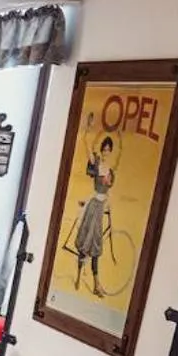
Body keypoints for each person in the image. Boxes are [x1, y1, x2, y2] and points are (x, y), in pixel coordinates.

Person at [68, 119, 116, 296]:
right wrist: (87, 131)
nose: (105, 152)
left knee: (96, 246)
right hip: (93, 206)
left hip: (101, 206)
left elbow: (108, 192)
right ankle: (82, 277)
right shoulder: (97, 163)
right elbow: (87, 147)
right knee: (90, 243)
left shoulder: (110, 170)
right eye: (104, 149)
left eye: (108, 150)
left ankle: (96, 284)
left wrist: (109, 208)